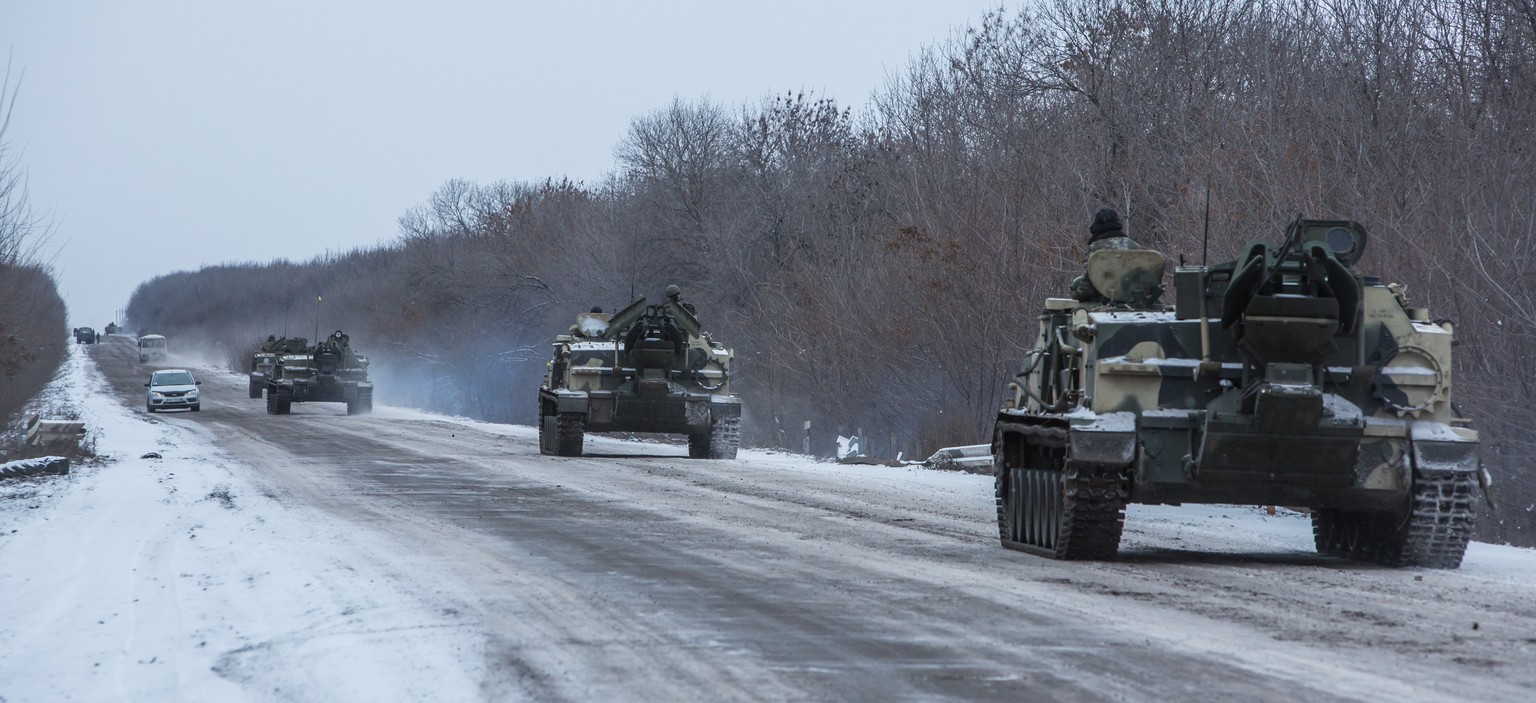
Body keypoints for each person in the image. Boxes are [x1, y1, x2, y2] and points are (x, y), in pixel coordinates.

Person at [1069, 208, 1141, 302]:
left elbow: (1088, 285)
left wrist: (1076, 294)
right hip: (1135, 301)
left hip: (1103, 302)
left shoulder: (1097, 248)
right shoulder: (1135, 247)